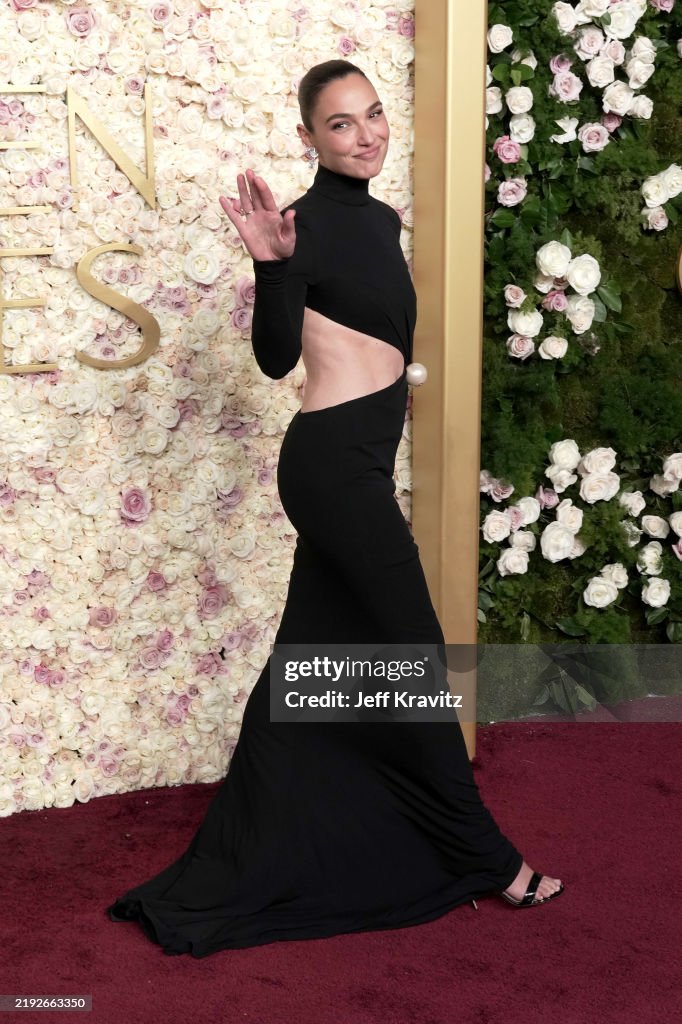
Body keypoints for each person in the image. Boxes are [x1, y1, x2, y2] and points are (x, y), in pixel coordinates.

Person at [107, 59, 563, 958]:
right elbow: (278, 360)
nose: (367, 135)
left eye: (374, 116)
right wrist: (271, 267)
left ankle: (252, 843)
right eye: (342, 125)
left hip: (356, 465)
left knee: (307, 667)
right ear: (308, 136)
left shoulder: (385, 220)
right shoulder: (301, 226)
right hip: (330, 473)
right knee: (417, 656)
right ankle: (488, 857)